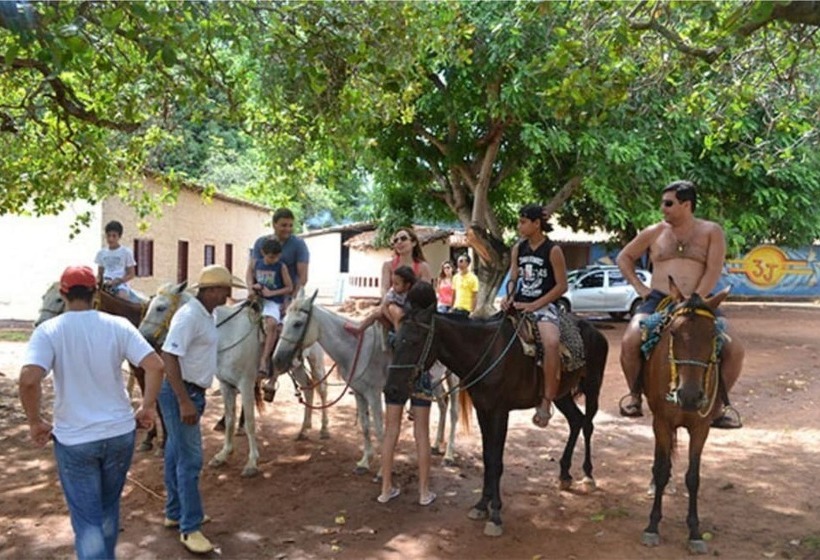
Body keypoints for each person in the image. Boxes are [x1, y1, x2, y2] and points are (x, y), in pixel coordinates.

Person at [18, 265, 163, 560]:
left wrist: (35, 421)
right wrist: (147, 407)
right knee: (108, 508)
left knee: (87, 522)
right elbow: (155, 365)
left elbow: (28, 380)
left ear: (63, 293)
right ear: (96, 293)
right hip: (120, 434)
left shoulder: (50, 331)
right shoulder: (118, 325)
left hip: (75, 441)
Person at [616, 180, 744, 428]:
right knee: (631, 339)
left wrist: (695, 300)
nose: (663, 208)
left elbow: (713, 269)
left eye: (668, 203)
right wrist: (640, 288)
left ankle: (717, 407)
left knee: (734, 348)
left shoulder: (711, 231)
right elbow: (625, 257)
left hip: (701, 302)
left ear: (686, 204)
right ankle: (634, 396)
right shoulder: (654, 232)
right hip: (660, 300)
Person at [159, 264, 245, 554]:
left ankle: (175, 512)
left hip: (191, 392)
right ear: (210, 291)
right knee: (191, 461)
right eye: (224, 288)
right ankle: (190, 527)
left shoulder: (207, 314)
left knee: (176, 454)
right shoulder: (189, 316)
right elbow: (169, 355)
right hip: (181, 392)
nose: (228, 293)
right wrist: (183, 400)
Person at [501, 204, 568, 428]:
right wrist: (508, 296)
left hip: (544, 306)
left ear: (536, 223)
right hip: (519, 303)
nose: (519, 226)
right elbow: (513, 277)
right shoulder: (518, 249)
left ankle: (546, 401)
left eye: (523, 221)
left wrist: (536, 305)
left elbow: (562, 286)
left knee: (551, 343)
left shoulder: (553, 250)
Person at [246, 207, 309, 306]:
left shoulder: (299, 244)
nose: (288, 229)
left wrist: (291, 300)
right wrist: (250, 290)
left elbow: (303, 278)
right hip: (260, 296)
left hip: (286, 297)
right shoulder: (261, 242)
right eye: (284, 225)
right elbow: (251, 270)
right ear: (274, 225)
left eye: (290, 225)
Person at [251, 238, 293, 377]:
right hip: (258, 299)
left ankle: (264, 360)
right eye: (270, 257)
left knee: (272, 324)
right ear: (263, 253)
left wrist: (272, 293)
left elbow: (289, 287)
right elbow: (250, 277)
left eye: (276, 257)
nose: (273, 259)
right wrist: (252, 288)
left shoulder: (281, 266)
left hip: (273, 302)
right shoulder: (256, 263)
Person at [345, 265, 417, 335]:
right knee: (376, 313)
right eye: (393, 283)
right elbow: (384, 307)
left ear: (407, 285)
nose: (393, 286)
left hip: (406, 322)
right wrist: (393, 320)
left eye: (397, 284)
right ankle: (360, 329)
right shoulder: (392, 292)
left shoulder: (412, 293)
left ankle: (400, 337)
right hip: (392, 320)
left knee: (398, 312)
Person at [95, 220, 141, 302]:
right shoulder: (101, 253)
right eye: (108, 236)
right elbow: (100, 274)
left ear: (119, 236)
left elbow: (131, 274)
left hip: (120, 285)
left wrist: (119, 281)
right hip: (105, 283)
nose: (110, 239)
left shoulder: (126, 252)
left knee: (121, 298)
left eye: (114, 236)